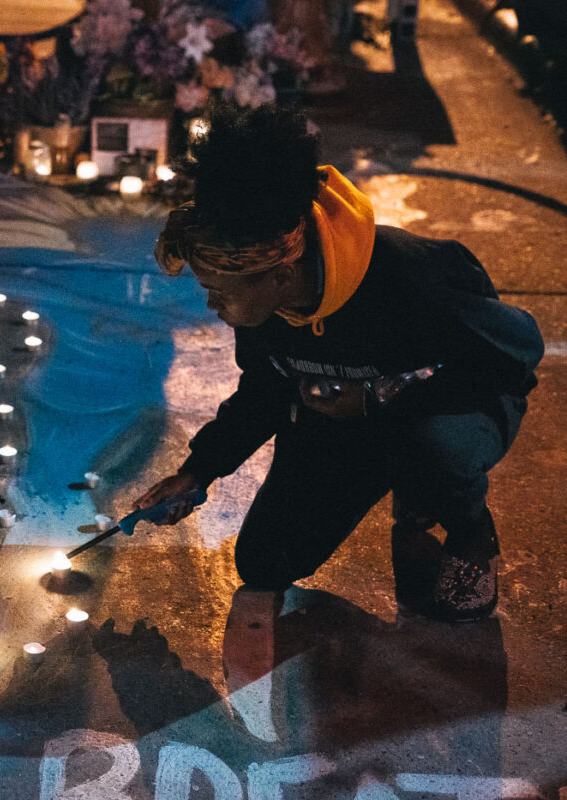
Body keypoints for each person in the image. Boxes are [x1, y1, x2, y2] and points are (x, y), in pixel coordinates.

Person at [137, 105, 542, 622]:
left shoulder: (409, 278)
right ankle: (408, 482)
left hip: (441, 412)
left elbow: (514, 356)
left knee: (438, 451)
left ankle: (469, 532)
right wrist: (198, 471)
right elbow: (264, 389)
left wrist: (382, 396)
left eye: (219, 293)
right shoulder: (262, 303)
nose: (214, 307)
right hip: (338, 425)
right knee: (264, 562)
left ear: (282, 275)